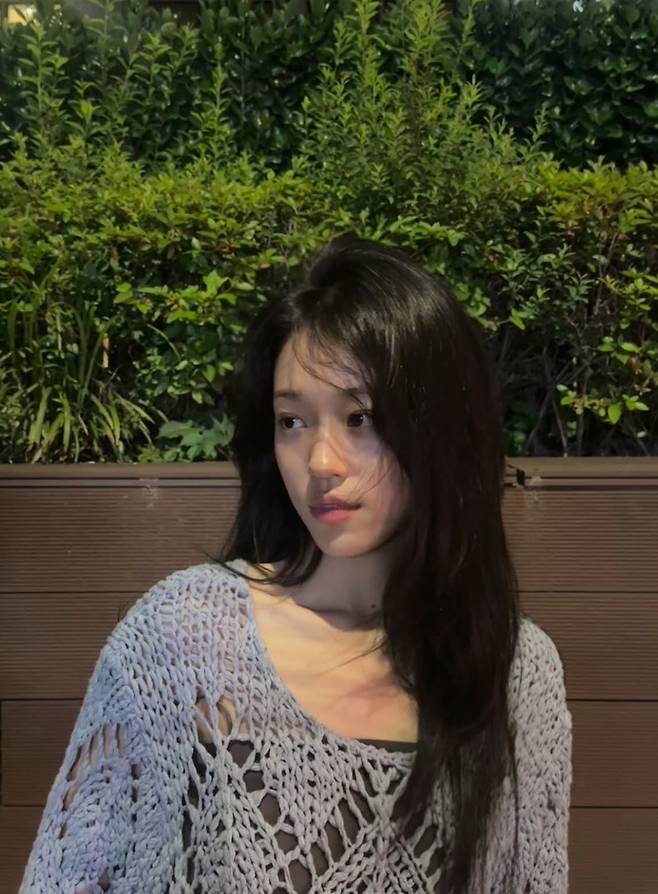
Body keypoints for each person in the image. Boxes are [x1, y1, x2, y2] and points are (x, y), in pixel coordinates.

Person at [19, 235, 572, 894]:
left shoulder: (517, 671)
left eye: (360, 418)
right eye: (292, 421)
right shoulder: (183, 642)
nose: (321, 462)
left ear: (441, 428)